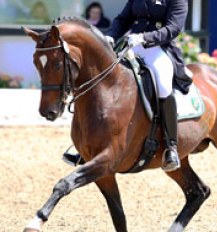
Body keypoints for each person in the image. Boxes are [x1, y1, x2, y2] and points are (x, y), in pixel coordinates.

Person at [64, 0, 192, 172]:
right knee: (101, 77)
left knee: (163, 85)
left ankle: (171, 147)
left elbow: (173, 28)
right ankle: (85, 145)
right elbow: (123, 19)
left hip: (158, 48)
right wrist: (110, 35)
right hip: (132, 45)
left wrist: (145, 37)